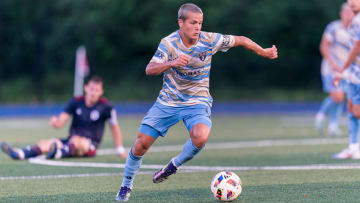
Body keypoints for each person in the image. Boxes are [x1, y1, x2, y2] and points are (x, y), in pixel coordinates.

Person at [115, 3, 278, 201]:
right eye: (193, 22)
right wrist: (172, 63)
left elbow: (241, 40)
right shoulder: (168, 43)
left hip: (197, 101)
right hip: (168, 102)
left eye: (200, 23)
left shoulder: (209, 40)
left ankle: (173, 166)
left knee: (201, 136)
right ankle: (126, 185)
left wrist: (262, 51)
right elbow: (150, 69)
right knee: (141, 144)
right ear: (181, 23)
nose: (197, 27)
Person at [1, 76, 127, 160]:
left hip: (89, 145)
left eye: (97, 90)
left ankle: (57, 153)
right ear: (86, 88)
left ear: (101, 92)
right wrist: (55, 123)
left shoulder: (107, 107)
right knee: (47, 142)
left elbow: (114, 127)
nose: (93, 92)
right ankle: (20, 154)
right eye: (91, 89)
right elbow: (61, 122)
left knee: (77, 141)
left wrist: (120, 149)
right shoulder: (75, 101)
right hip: (71, 141)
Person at [315, 3, 354, 137]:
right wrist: (332, 64)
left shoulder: (355, 29)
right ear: (341, 14)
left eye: (351, 12)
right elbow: (324, 47)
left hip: (346, 69)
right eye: (346, 12)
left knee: (341, 97)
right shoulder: (333, 27)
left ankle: (333, 126)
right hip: (330, 69)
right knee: (337, 96)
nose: (349, 15)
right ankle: (320, 115)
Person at [333, 0, 360, 159]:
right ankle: (354, 147)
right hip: (354, 73)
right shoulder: (355, 21)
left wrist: (341, 69)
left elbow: (357, 47)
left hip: (356, 73)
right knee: (351, 109)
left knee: (356, 111)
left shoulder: (357, 21)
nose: (351, 2)